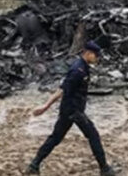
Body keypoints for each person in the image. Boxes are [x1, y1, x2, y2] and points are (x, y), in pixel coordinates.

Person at [26, 41, 117, 176]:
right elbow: (62, 89)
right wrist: (46, 106)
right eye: (96, 55)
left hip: (69, 110)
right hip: (73, 111)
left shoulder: (83, 67)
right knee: (93, 135)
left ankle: (34, 165)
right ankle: (105, 169)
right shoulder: (77, 70)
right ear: (88, 53)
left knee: (55, 138)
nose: (97, 58)